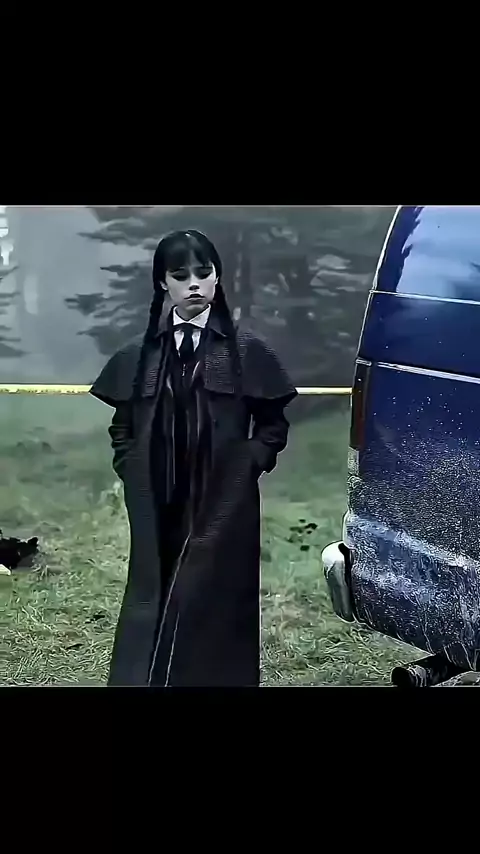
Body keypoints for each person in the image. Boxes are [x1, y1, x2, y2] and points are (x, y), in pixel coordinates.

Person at [90, 229, 297, 687]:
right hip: (157, 498)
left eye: (203, 273)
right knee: (155, 591)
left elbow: (273, 425)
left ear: (217, 276)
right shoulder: (141, 355)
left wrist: (248, 464)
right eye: (180, 275)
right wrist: (131, 469)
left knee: (214, 597)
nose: (194, 284)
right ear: (163, 283)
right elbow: (122, 427)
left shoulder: (247, 352)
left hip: (223, 499)